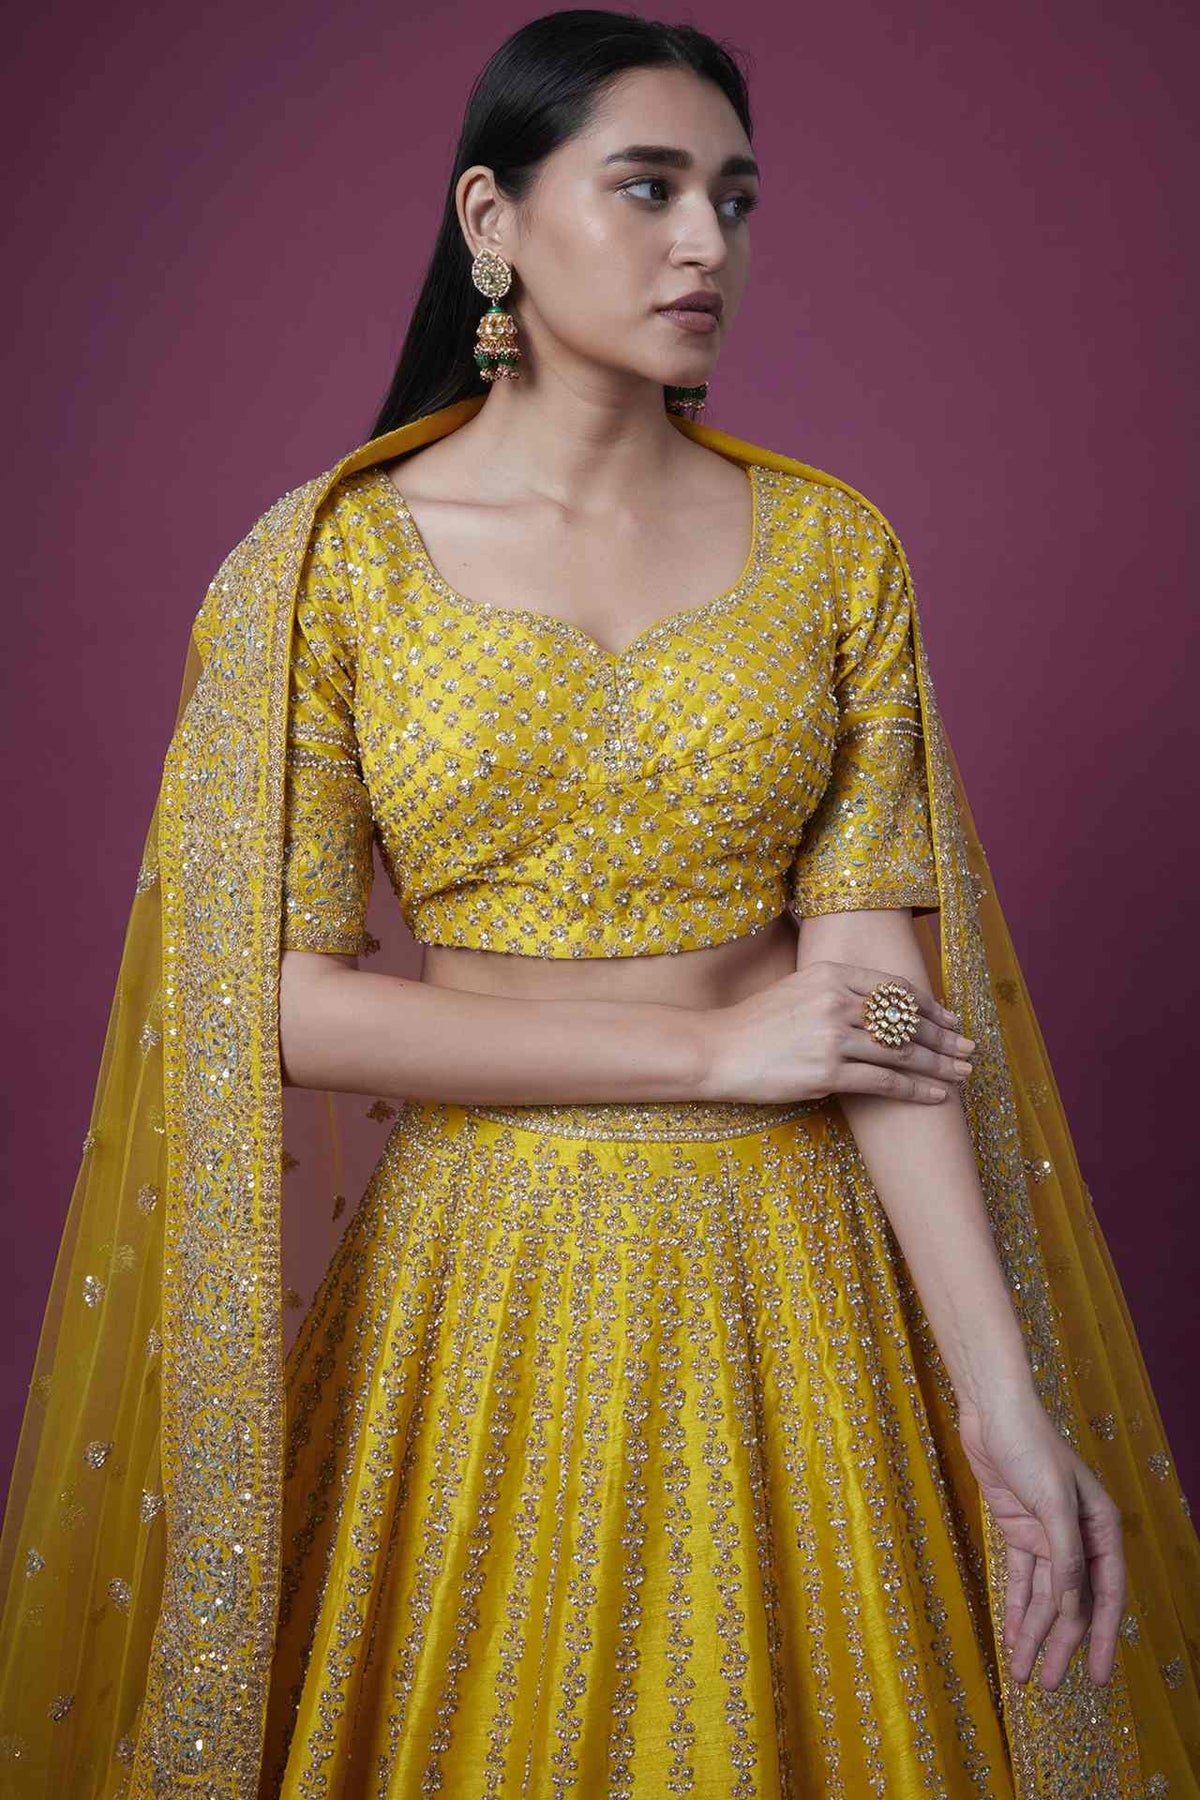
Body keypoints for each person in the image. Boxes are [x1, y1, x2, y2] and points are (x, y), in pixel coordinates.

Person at [1, 9, 1196, 1797]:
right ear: (492, 218)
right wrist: (711, 1054)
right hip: (482, 1284)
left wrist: (1000, 1395)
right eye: (647, 188)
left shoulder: (835, 551)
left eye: (735, 197)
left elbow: (877, 1000)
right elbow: (271, 1003)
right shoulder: (327, 567)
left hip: (800, 1282)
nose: (706, 241)